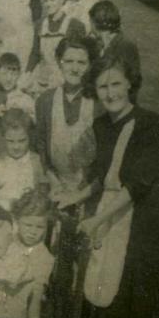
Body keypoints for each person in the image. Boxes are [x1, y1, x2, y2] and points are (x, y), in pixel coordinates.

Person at [77, 57, 159, 318]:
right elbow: (102, 177)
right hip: (111, 227)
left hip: (142, 231)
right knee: (119, 317)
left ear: (130, 84)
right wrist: (77, 196)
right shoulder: (101, 125)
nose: (110, 93)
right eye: (102, 88)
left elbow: (138, 183)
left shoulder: (150, 124)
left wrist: (99, 221)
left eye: (116, 84)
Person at [35, 36, 97, 208]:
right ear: (59, 62)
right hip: (57, 185)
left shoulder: (98, 103)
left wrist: (81, 192)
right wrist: (54, 182)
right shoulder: (45, 101)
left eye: (81, 62)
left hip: (91, 189)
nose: (75, 68)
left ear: (90, 65)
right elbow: (41, 146)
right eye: (68, 61)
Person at [27, 0, 85, 86]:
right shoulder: (40, 24)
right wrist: (28, 73)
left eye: (52, 0)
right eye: (45, 1)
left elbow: (81, 58)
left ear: (62, 0)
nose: (48, 4)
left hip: (66, 79)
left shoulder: (75, 25)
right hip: (43, 78)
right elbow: (35, 53)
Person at [0, 109, 46, 210]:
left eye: (22, 141)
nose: (16, 147)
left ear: (30, 137)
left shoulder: (36, 161)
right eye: (10, 141)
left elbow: (42, 192)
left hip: (29, 213)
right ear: (3, 138)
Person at [88, 0, 141, 77]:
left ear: (94, 23)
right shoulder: (100, 43)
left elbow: (133, 78)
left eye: (90, 21)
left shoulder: (125, 45)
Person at [0, 53, 35, 118]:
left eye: (14, 74)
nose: (9, 78)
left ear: (19, 74)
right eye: (4, 73)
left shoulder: (26, 100)